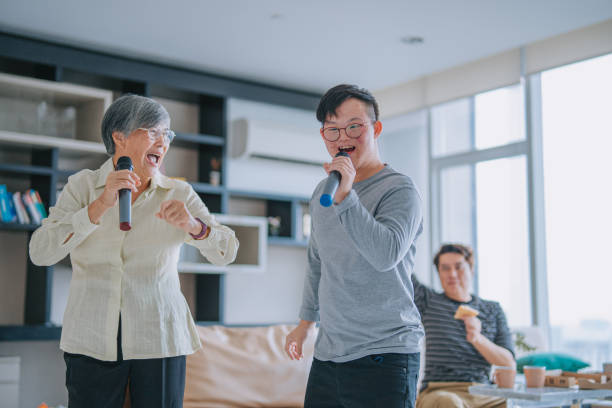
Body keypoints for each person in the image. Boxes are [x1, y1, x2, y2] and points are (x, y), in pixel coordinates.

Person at [29, 94, 239, 408]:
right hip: (91, 336)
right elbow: (40, 252)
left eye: (167, 135)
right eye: (153, 132)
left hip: (160, 335)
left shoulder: (179, 192)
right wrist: (99, 206)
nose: (163, 142)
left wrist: (196, 226)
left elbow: (227, 251)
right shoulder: (81, 187)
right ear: (119, 137)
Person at [284, 84, 424, 408]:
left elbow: (385, 254)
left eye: (353, 127)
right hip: (329, 354)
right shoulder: (324, 190)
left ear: (375, 129)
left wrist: (347, 197)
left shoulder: (400, 190)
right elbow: (318, 261)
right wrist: (305, 325)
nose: (342, 138)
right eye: (332, 130)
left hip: (386, 354)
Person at [413, 243, 515, 408]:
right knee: (450, 403)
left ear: (471, 270)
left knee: (513, 404)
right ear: (438, 273)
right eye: (445, 268)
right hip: (438, 391)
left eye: (459, 267)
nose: (452, 274)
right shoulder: (428, 301)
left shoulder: (492, 309)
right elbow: (401, 267)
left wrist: (477, 338)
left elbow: (508, 362)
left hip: (484, 393)